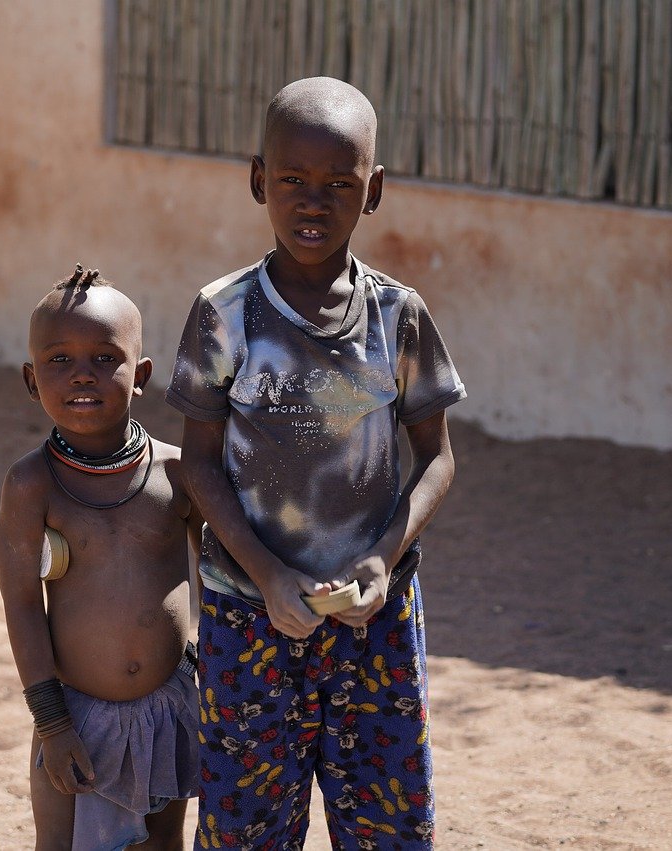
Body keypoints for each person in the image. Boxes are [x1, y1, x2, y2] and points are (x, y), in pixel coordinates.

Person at [167, 77, 466, 849]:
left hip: (376, 619)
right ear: (258, 178)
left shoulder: (398, 316)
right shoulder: (223, 314)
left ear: (374, 191)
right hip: (247, 614)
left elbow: (435, 457)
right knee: (246, 827)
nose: (313, 201)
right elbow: (198, 465)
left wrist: (380, 556)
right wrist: (267, 574)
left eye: (340, 183)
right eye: (292, 179)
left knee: (388, 825)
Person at [0, 265, 203, 850]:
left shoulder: (176, 473)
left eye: (104, 358)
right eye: (59, 360)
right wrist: (52, 723)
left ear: (140, 376)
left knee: (162, 845)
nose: (82, 374)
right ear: (32, 380)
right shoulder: (31, 485)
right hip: (75, 717)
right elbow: (21, 606)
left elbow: (218, 577)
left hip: (169, 708)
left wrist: (206, 664)